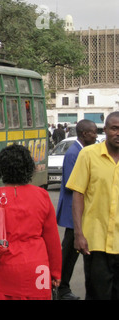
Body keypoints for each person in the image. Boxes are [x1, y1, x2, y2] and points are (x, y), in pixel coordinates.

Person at [0, 144, 61, 300]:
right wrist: (55, 273)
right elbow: (52, 240)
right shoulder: (42, 195)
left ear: (1, 169)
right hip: (37, 270)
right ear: (29, 168)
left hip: (2, 272)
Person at [66, 111, 119, 300]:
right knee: (98, 295)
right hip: (96, 243)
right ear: (105, 130)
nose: (118, 133)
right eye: (114, 128)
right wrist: (79, 234)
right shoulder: (88, 155)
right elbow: (78, 194)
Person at [56, 119, 98, 300]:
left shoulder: (82, 151)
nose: (96, 136)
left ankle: (62, 287)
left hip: (79, 214)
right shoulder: (75, 153)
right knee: (69, 254)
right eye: (93, 132)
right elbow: (72, 185)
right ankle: (61, 288)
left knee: (73, 253)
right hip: (74, 214)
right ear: (84, 134)